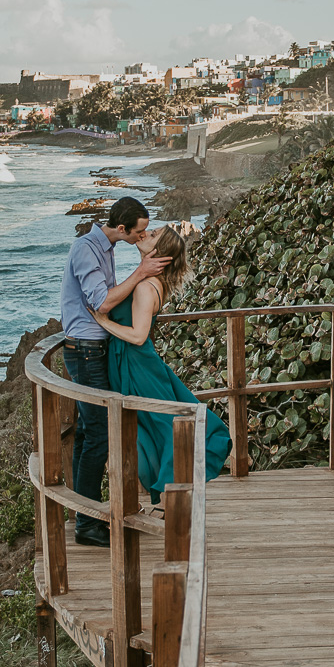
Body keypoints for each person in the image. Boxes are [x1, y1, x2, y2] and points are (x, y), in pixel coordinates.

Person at [59, 197, 167, 546]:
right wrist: (142, 273)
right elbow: (101, 302)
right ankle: (87, 526)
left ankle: (84, 514)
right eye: (138, 232)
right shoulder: (87, 249)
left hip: (92, 350)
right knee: (100, 435)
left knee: (88, 434)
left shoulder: (105, 247)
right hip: (86, 353)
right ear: (121, 228)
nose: (142, 236)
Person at [94, 225, 231, 497]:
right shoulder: (150, 282)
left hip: (138, 365)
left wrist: (103, 322)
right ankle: (167, 491)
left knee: (165, 427)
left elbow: (138, 335)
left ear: (161, 252)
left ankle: (173, 492)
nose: (145, 234)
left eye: (153, 235)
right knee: (150, 427)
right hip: (134, 364)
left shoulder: (146, 287)